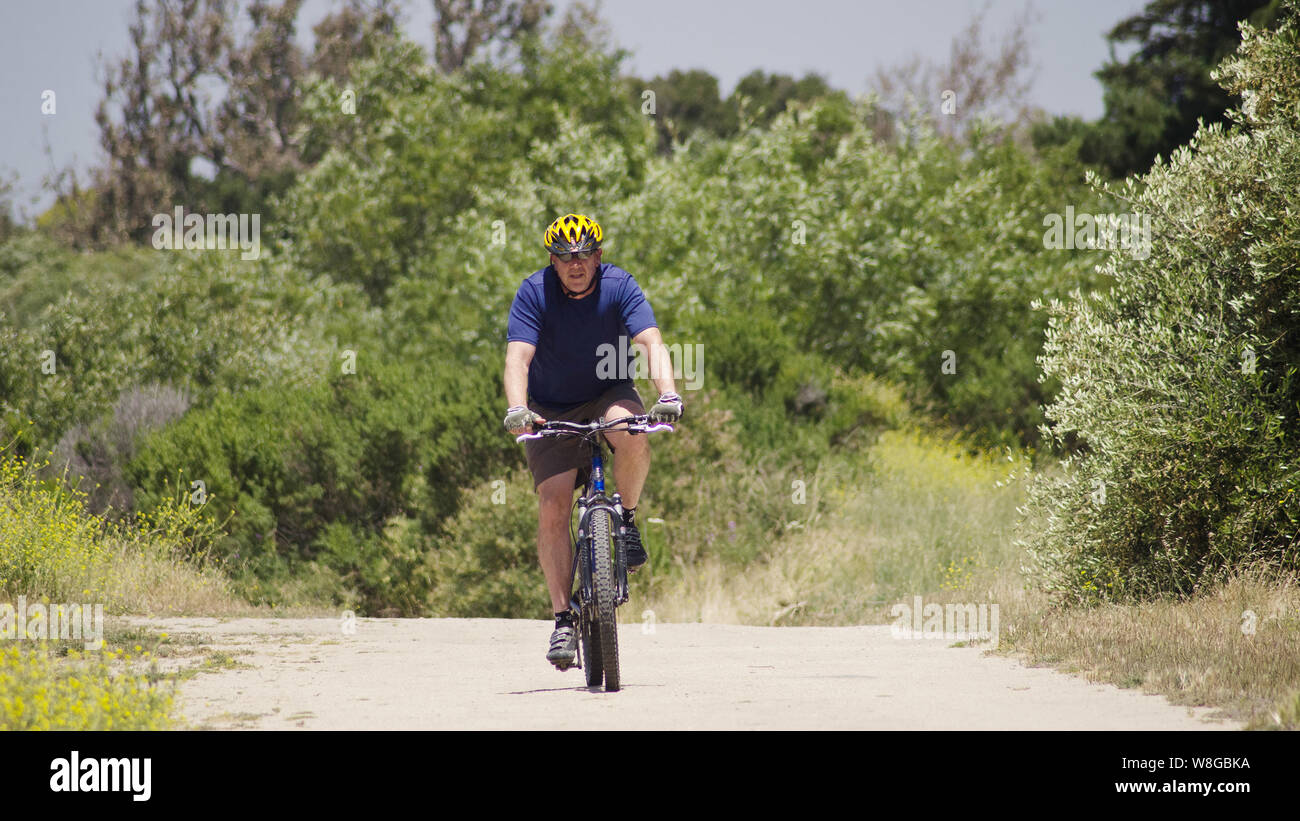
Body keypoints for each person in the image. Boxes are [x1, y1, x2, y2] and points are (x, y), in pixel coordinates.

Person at [503, 213, 683, 669]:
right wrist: (517, 409)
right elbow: (518, 358)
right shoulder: (533, 292)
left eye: (584, 254)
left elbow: (651, 342)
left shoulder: (620, 287)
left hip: (609, 391)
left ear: (598, 256)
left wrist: (668, 393)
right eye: (565, 256)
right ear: (553, 260)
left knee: (632, 431)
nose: (575, 263)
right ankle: (563, 618)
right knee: (553, 501)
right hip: (551, 405)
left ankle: (625, 519)